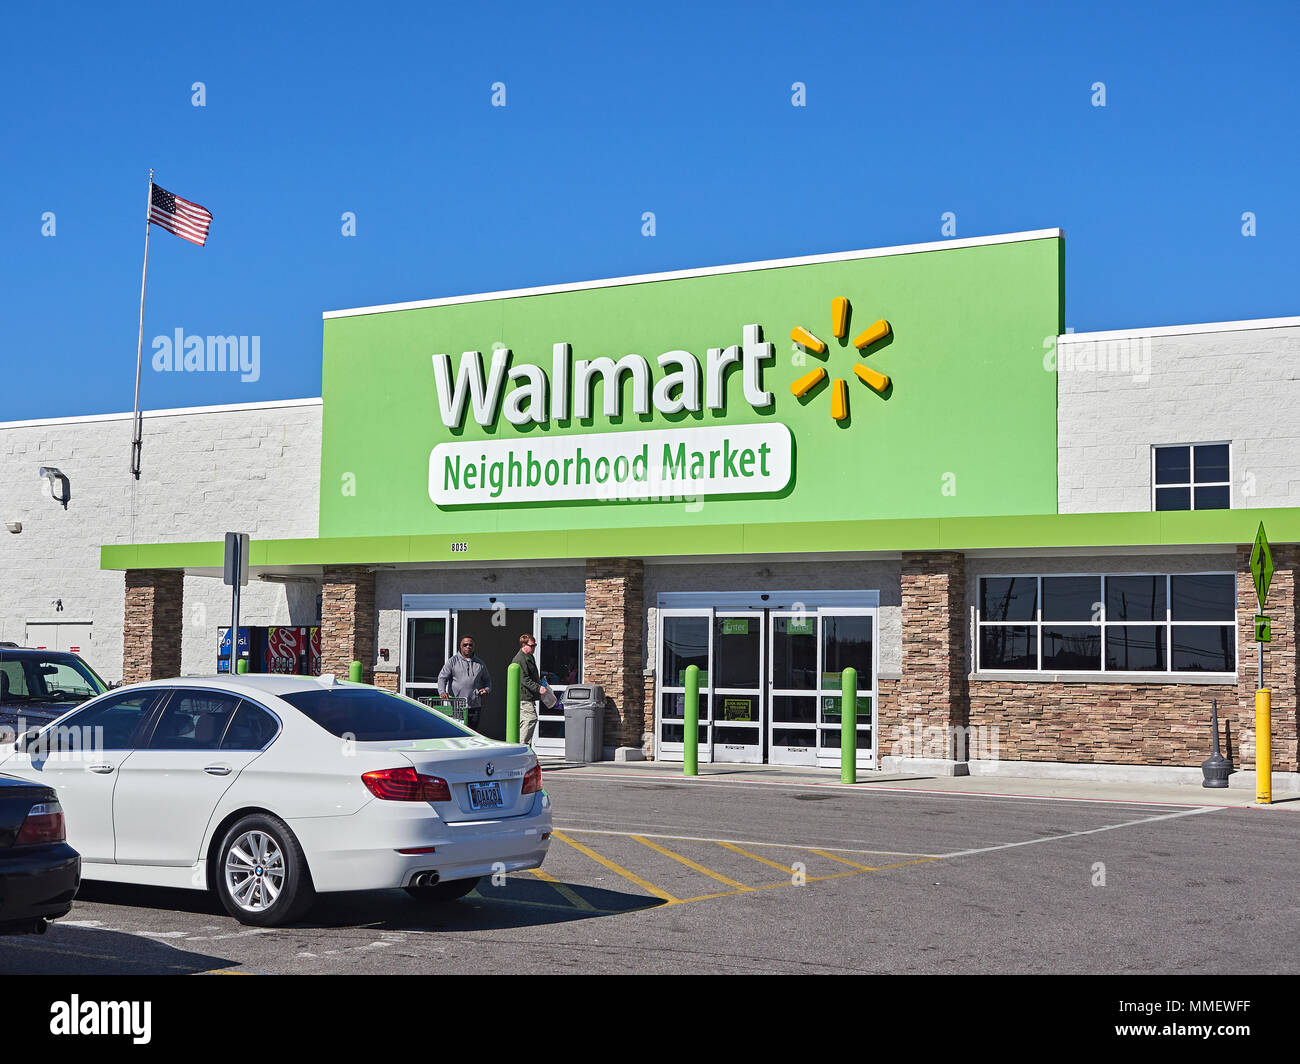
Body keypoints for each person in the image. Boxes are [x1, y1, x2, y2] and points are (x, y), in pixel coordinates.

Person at [437, 635, 491, 731]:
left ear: (474, 647)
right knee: (457, 732)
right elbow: (442, 678)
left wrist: (486, 689)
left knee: (472, 732)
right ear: (460, 646)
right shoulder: (452, 661)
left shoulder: (480, 664)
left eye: (470, 645)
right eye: (465, 645)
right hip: (456, 706)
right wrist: (442, 692)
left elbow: (487, 680)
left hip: (474, 705)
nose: (468, 647)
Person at [511, 633, 548, 747]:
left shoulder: (529, 657)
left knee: (527, 721)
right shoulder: (520, 659)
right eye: (532, 646)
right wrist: (538, 688)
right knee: (530, 719)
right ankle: (523, 747)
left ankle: (524, 746)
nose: (534, 648)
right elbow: (524, 679)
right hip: (524, 697)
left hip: (529, 696)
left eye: (535, 645)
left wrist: (541, 682)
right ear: (523, 645)